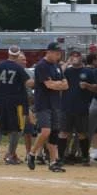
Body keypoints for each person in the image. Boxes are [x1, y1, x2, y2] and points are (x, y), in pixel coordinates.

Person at [29, 42, 69, 172]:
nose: (58, 56)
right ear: (49, 52)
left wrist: (57, 84)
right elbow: (49, 85)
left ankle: (53, 162)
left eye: (59, 53)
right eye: (56, 53)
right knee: (46, 131)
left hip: (55, 103)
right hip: (43, 103)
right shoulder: (42, 66)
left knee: (54, 133)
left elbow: (66, 85)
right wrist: (58, 84)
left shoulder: (56, 66)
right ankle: (32, 153)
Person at [0, 45, 32, 165]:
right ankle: (10, 154)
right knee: (16, 129)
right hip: (16, 102)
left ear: (8, 53)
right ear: (17, 55)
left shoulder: (0, 66)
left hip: (1, 100)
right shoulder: (19, 68)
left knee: (0, 127)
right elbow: (29, 83)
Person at [60, 49, 96, 166]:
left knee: (82, 133)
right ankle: (60, 157)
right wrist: (67, 62)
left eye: (77, 56)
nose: (75, 57)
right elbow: (57, 75)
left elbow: (96, 88)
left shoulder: (88, 71)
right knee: (64, 132)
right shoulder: (67, 71)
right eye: (73, 56)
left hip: (81, 107)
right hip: (66, 106)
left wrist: (87, 85)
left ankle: (85, 157)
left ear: (81, 57)